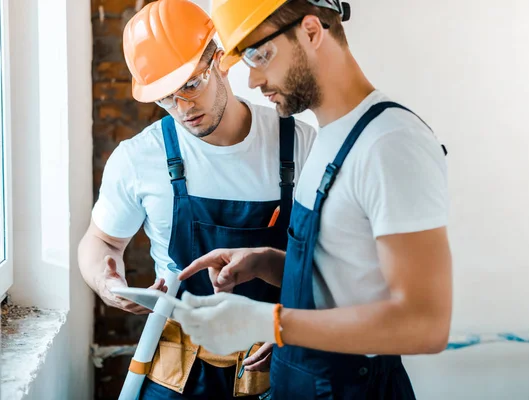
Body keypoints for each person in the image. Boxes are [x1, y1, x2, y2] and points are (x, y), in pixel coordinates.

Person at [173, 0, 453, 399]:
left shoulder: (390, 144)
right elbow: (347, 281)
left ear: (311, 31)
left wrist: (269, 322)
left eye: (259, 54)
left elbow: (426, 325)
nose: (251, 80)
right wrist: (269, 264)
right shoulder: (332, 136)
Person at [77, 0, 316, 398]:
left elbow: (335, 263)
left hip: (275, 358)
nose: (183, 109)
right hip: (178, 366)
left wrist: (303, 320)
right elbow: (100, 240)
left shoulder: (299, 146)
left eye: (191, 84)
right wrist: (106, 281)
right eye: (166, 98)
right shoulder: (140, 157)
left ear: (220, 61)